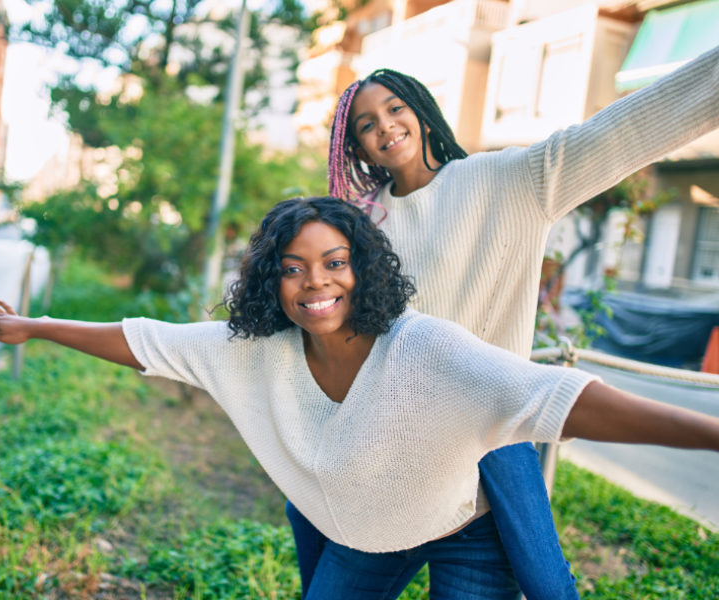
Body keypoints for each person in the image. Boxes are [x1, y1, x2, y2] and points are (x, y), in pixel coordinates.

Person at [0, 197, 719, 600]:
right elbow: (144, 341)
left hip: (463, 524)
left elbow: (560, 397)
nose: (314, 282)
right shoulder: (251, 351)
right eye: (291, 268)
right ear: (271, 281)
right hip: (365, 530)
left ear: (363, 268)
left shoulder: (422, 345)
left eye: (333, 262)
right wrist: (35, 326)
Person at [275, 44, 719, 600]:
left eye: (394, 109)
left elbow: (623, 129)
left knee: (548, 587)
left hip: (486, 455)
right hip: (385, 459)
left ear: (420, 109)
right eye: (367, 124)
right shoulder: (358, 224)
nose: (385, 128)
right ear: (356, 145)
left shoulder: (510, 179)